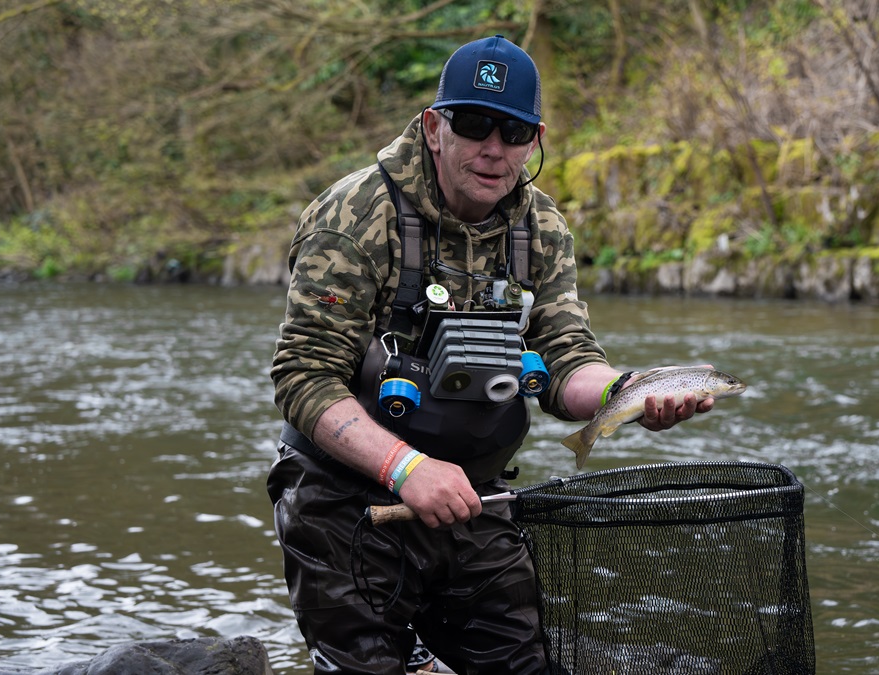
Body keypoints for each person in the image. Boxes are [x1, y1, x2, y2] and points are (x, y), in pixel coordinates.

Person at [268, 35, 717, 675]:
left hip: (476, 497)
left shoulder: (543, 230)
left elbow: (566, 360)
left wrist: (631, 391)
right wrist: (405, 467)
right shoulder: (355, 216)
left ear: (534, 140)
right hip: (346, 500)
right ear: (434, 127)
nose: (493, 148)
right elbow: (303, 378)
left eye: (513, 131)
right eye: (474, 123)